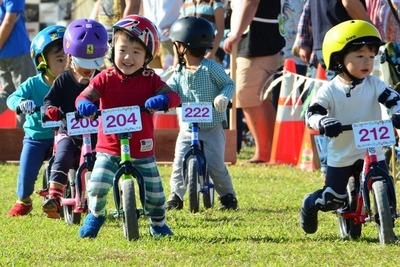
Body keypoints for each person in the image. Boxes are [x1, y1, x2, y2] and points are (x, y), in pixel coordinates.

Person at [75, 14, 181, 238]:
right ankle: (96, 213)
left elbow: (174, 97)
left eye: (136, 52)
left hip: (142, 147)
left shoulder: (150, 78)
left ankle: (158, 222)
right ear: (113, 51)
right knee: (97, 184)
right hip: (109, 147)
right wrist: (85, 104)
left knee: (154, 190)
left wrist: (163, 100)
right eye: (122, 50)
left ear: (147, 56)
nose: (128, 57)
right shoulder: (105, 78)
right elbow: (84, 97)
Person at [300, 20, 400, 235]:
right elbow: (313, 113)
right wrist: (323, 121)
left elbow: (393, 99)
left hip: (372, 150)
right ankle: (310, 203)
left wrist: (397, 112)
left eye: (371, 56)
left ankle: (388, 214)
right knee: (334, 198)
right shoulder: (329, 90)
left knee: (385, 180)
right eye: (360, 56)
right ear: (338, 59)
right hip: (343, 152)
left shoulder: (374, 84)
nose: (368, 62)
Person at [165, 16, 238, 211]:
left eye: (175, 45)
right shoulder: (179, 72)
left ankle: (228, 196)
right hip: (188, 129)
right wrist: (163, 98)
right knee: (179, 162)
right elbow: (170, 90)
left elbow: (228, 84)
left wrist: (223, 97)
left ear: (182, 47)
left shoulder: (211, 68)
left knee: (216, 165)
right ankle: (176, 195)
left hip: (211, 127)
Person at [41, 19, 108, 219]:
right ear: (70, 56)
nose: (88, 69)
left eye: (93, 62)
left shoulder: (103, 78)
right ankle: (54, 196)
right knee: (63, 155)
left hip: (96, 133)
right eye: (82, 62)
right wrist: (51, 109)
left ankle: (118, 194)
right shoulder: (63, 79)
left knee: (106, 160)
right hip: (68, 131)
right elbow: (49, 100)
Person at [6, 25, 67, 217]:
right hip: (37, 137)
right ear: (42, 62)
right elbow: (11, 98)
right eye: (59, 60)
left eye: (69, 58)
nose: (66, 64)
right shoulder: (33, 83)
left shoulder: (73, 83)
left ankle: (66, 199)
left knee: (74, 166)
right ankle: (24, 200)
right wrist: (22, 103)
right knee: (26, 175)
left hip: (66, 135)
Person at [223, 0, 285, 164]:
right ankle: (266, 151)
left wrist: (236, 33)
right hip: (256, 40)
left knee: (247, 94)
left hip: (258, 41)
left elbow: (251, 2)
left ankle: (266, 152)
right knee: (257, 97)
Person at [0, 0, 37, 128]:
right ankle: (24, 137)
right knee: (27, 95)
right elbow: (9, 21)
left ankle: (21, 136)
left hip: (5, 54)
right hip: (17, 52)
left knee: (8, 92)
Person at [91, 0, 141, 68]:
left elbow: (133, 6)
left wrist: (123, 35)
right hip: (102, 36)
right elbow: (99, 3)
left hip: (117, 36)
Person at [141, 0, 182, 69]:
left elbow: (189, 5)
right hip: (148, 38)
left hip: (170, 38)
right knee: (152, 75)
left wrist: (176, 26)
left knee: (170, 75)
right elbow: (142, 8)